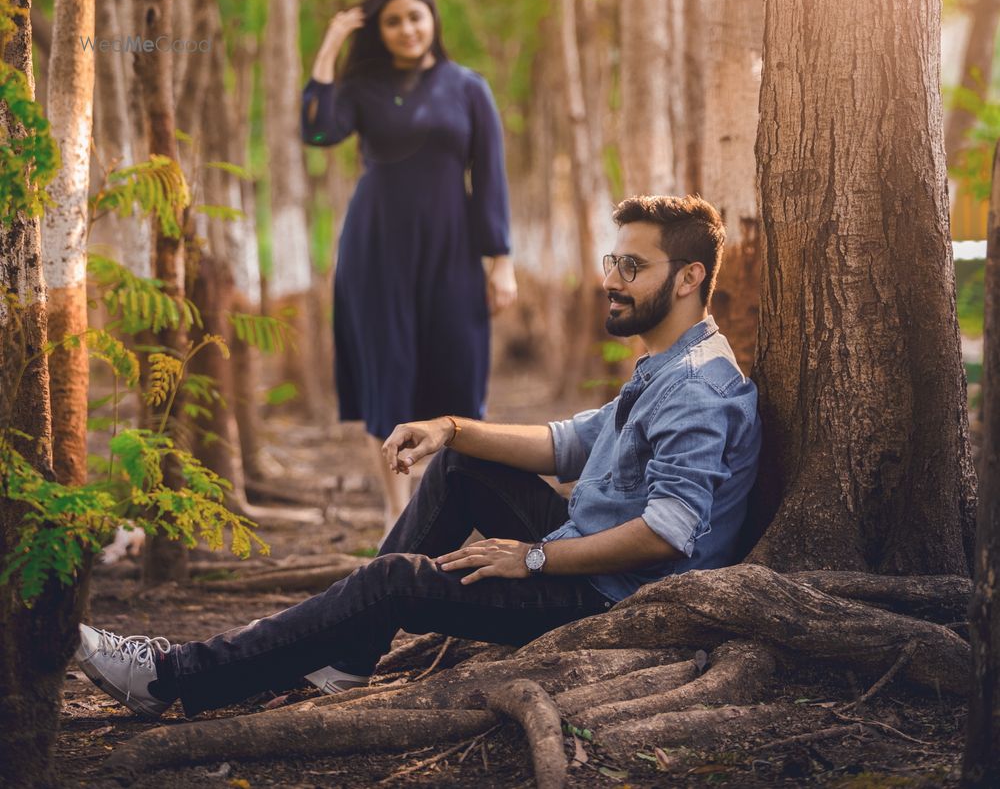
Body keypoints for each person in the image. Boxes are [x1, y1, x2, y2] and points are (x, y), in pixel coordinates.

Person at [76, 194, 762, 722]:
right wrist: (451, 428)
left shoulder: (696, 391)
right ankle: (347, 655)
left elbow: (669, 530)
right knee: (459, 465)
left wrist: (531, 559)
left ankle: (174, 675)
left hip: (604, 598)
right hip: (580, 547)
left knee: (390, 583)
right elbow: (570, 443)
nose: (612, 281)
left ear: (687, 278)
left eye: (632, 268)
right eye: (612, 262)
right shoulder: (671, 362)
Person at [301, 0, 517, 530]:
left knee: (459, 369)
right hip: (376, 250)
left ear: (432, 21)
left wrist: (502, 260)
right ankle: (396, 517)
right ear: (380, 29)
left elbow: (489, 176)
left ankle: (449, 506)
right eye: (393, 20)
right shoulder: (363, 88)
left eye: (415, 17)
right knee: (389, 374)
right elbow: (319, 131)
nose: (406, 29)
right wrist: (331, 44)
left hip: (453, 249)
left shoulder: (469, 87)